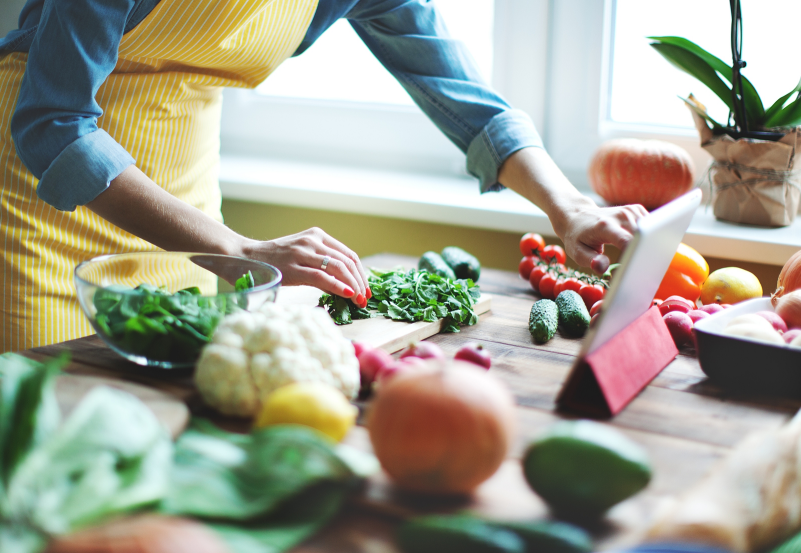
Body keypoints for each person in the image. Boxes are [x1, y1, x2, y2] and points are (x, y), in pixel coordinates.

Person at [0, 0, 646, 352]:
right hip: (40, 198)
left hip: (184, 196)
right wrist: (238, 248)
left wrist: (569, 208)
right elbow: (52, 123)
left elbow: (463, 98)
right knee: (42, 421)